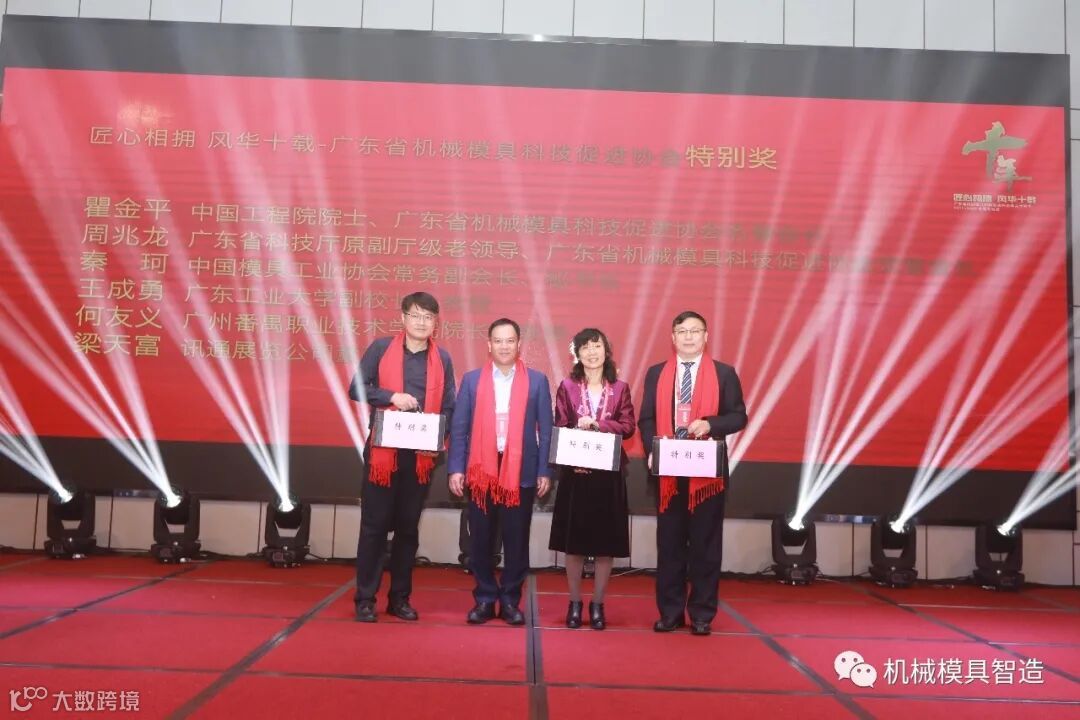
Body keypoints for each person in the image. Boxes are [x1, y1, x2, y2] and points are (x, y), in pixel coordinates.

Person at [638, 311, 747, 636]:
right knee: (670, 545)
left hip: (706, 474)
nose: (688, 337)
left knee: (705, 546)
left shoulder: (724, 373)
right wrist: (653, 450)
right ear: (673, 338)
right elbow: (646, 419)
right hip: (669, 473)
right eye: (682, 331)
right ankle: (670, 613)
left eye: (695, 331)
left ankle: (701, 614)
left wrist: (711, 424)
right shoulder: (657, 373)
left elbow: (738, 417)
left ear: (705, 336)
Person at [349, 291, 456, 623]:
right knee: (374, 527)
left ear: (435, 323)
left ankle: (399, 598)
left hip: (420, 456)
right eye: (416, 315)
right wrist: (391, 396)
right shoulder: (381, 349)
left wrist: (438, 436)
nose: (421, 322)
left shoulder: (442, 359)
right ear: (403, 318)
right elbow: (356, 387)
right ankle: (365, 599)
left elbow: (449, 405)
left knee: (408, 530)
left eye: (428, 317)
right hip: (384, 453)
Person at [448, 318, 553, 626]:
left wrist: (545, 470)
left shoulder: (537, 381)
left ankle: (509, 600)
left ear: (519, 344)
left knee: (516, 540)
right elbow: (459, 428)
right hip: (481, 470)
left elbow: (546, 431)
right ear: (489, 345)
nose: (504, 346)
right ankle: (484, 598)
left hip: (520, 471)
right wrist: (456, 468)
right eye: (498, 341)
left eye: (510, 341)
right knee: (480, 539)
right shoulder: (471, 381)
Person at [548, 328, 635, 630]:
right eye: (585, 347)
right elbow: (560, 425)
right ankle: (574, 603)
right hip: (576, 473)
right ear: (577, 354)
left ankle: (598, 605)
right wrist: (577, 446)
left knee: (604, 544)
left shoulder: (620, 388)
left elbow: (628, 426)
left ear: (606, 351)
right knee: (573, 544)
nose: (591, 352)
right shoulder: (568, 386)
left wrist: (599, 424)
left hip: (608, 474)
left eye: (596, 346)